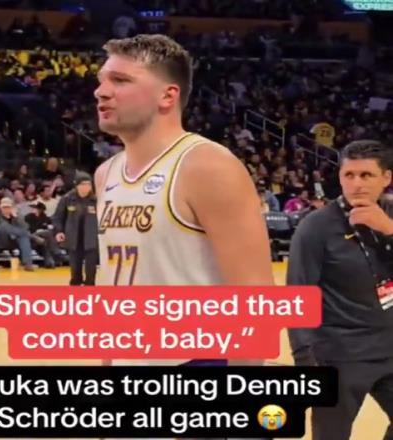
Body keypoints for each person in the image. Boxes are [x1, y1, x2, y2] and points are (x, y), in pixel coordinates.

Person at [93, 34, 273, 368]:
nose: (101, 91)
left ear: (168, 95)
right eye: (102, 80)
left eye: (120, 80)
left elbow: (254, 293)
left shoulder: (208, 166)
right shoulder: (106, 173)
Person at [287, 140, 393, 440]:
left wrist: (389, 230)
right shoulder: (315, 227)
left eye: (366, 175)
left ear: (386, 178)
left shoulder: (390, 216)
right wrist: (304, 360)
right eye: (349, 175)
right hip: (339, 355)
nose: (357, 184)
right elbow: (298, 294)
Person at [53, 172, 98, 285]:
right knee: (75, 269)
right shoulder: (67, 198)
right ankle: (75, 288)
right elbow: (58, 217)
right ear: (77, 185)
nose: (86, 187)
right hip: (74, 238)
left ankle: (90, 289)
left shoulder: (96, 199)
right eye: (83, 184)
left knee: (91, 269)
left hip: (91, 238)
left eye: (88, 184)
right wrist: (59, 231)